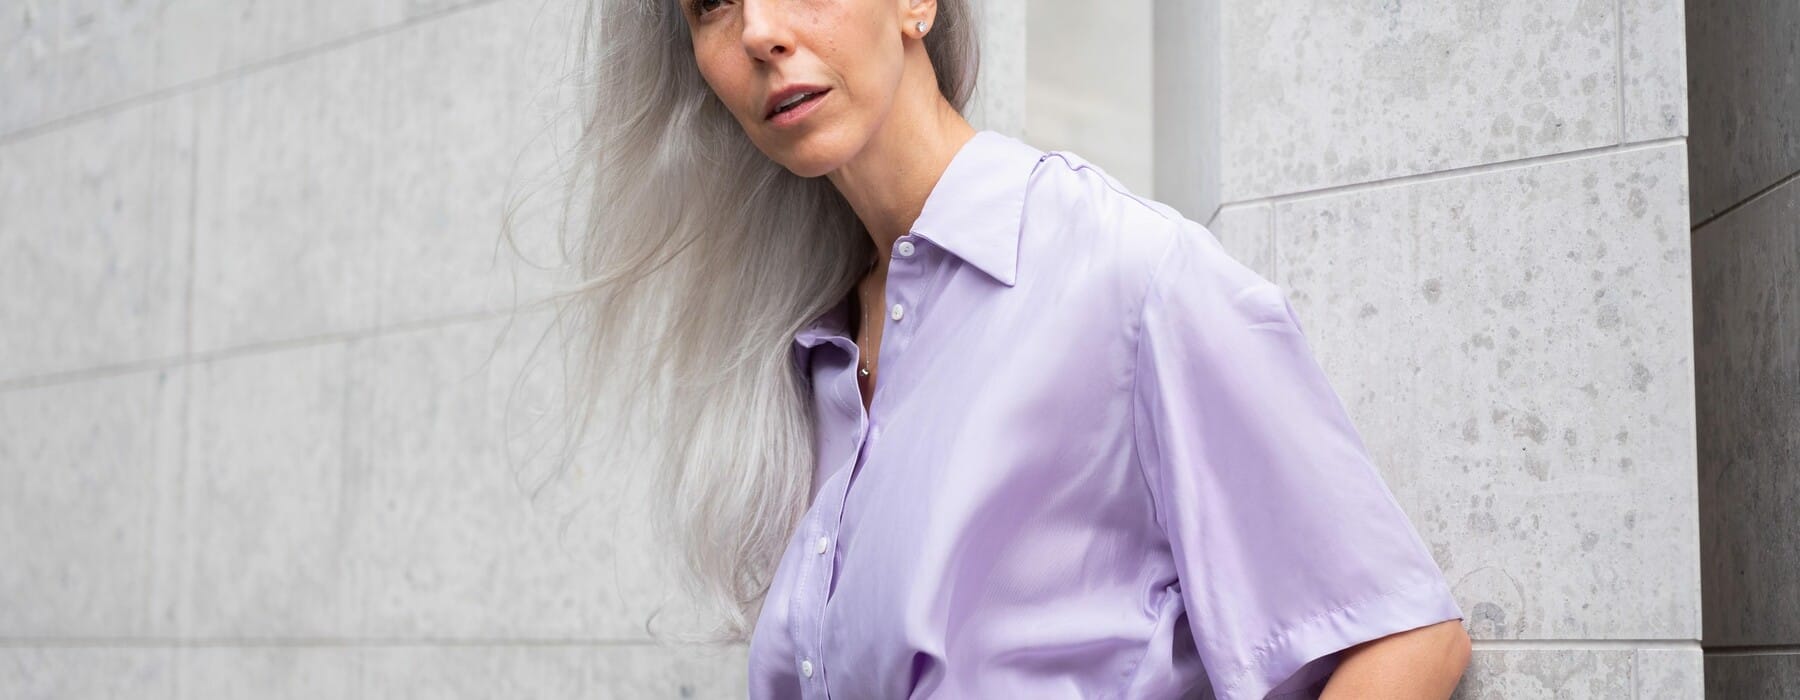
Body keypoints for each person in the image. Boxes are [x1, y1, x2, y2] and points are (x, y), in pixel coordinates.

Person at [542, 0, 1472, 697]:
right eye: (711, 2)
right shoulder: (817, 354)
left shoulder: (1125, 274)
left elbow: (1404, 641)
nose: (759, 31)